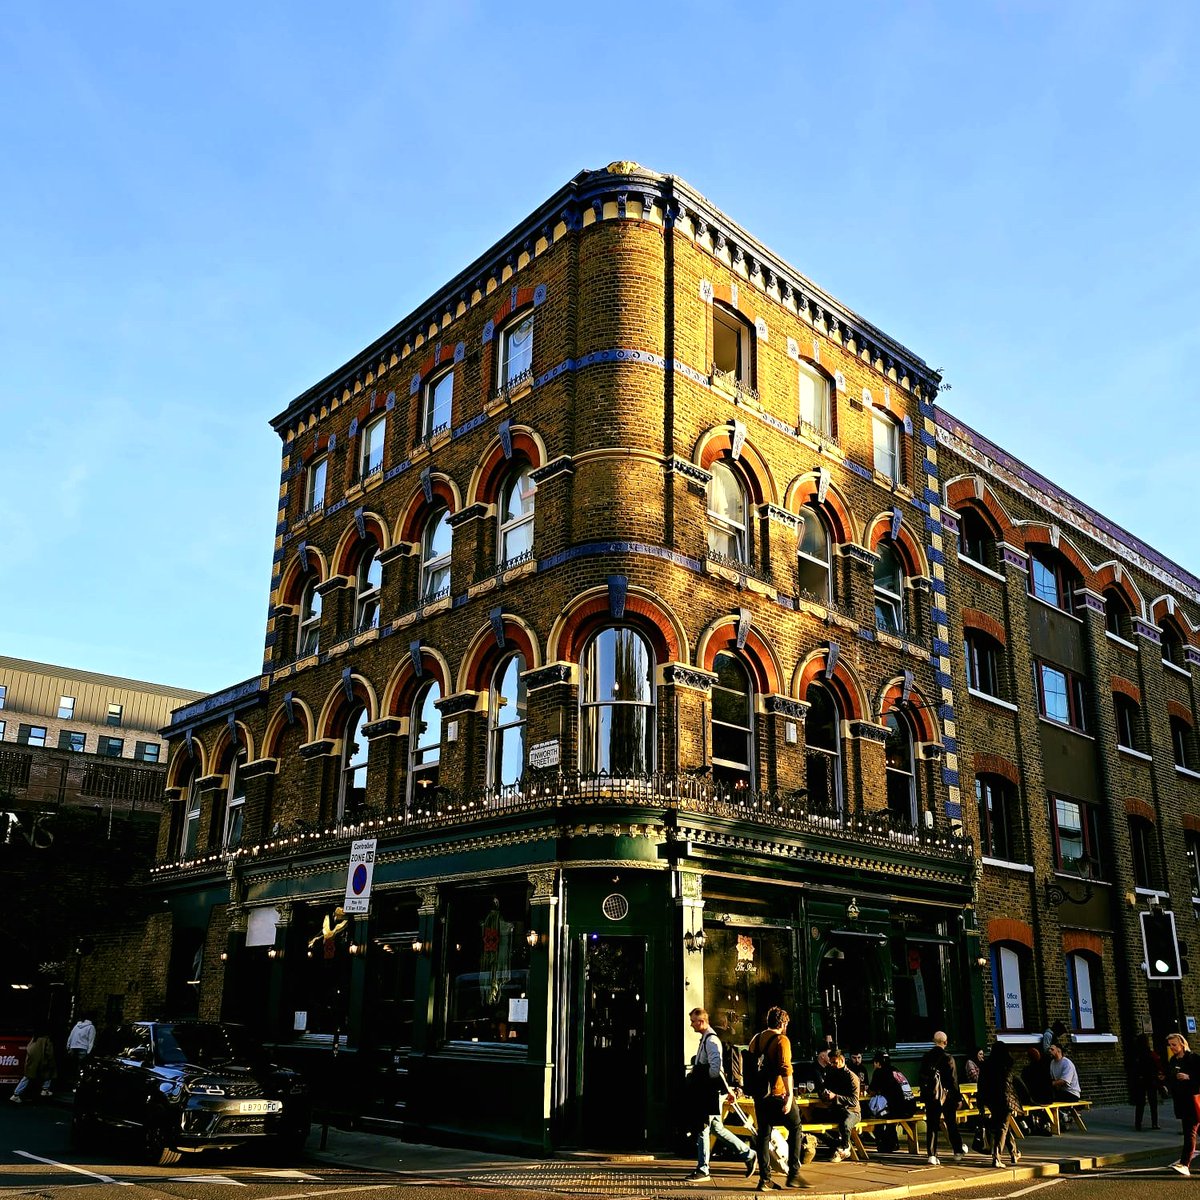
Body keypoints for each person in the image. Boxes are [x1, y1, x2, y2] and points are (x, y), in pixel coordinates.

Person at [682, 1007, 756, 1184]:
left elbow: (716, 1069)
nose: (691, 1025)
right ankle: (749, 1154)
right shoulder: (707, 1039)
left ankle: (703, 1169)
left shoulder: (711, 1040)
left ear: (701, 1021)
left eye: (693, 1021)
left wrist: (704, 1078)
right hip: (709, 1092)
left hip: (707, 1092)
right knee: (715, 1127)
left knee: (703, 1128)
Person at [746, 1006, 807, 1191]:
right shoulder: (782, 1040)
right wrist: (789, 1095)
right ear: (782, 1023)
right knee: (796, 1127)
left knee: (763, 1135)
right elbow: (786, 1069)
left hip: (760, 1095)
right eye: (786, 1024)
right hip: (778, 1093)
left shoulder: (756, 1039)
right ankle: (794, 1174)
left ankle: (765, 1179)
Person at [919, 1030, 965, 1166]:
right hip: (947, 1096)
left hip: (932, 1096)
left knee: (932, 1125)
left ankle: (932, 1155)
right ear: (945, 1042)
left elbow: (921, 1077)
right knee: (951, 1123)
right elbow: (953, 1081)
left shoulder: (926, 1057)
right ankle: (957, 1151)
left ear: (934, 1041)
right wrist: (958, 1098)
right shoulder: (948, 1058)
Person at [977, 1041, 1024, 1167]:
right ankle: (997, 1157)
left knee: (1003, 1125)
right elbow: (1010, 1085)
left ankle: (1014, 1153)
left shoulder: (986, 1065)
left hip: (991, 1100)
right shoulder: (1006, 1065)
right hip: (1004, 1100)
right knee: (1002, 1127)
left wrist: (980, 1103)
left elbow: (981, 1085)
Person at [1165, 1031, 1200, 1176]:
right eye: (1170, 1045)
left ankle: (1185, 1164)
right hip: (1181, 1101)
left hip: (1194, 1101)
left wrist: (1189, 1077)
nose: (1172, 1047)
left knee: (1189, 1132)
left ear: (1182, 1044)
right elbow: (1171, 1077)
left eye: (1174, 1044)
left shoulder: (1193, 1058)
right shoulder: (1173, 1060)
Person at [866, 1049, 914, 1153]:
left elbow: (872, 1091)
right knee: (887, 1112)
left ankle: (886, 1144)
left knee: (878, 1116)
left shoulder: (879, 1072)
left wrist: (866, 1089)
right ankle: (892, 1143)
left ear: (877, 1063)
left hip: (899, 1110)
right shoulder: (896, 1071)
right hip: (910, 1108)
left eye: (874, 1063)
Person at [818, 1047, 860, 1161]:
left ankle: (844, 1148)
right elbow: (824, 1088)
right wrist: (824, 1093)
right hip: (836, 1110)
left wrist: (835, 1097)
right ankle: (837, 1145)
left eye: (835, 1062)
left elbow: (854, 1100)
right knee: (813, 1121)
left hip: (852, 1111)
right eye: (831, 1062)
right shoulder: (831, 1073)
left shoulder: (852, 1077)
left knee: (845, 1124)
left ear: (842, 1060)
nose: (832, 1065)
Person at [9, 1030, 56, 1104]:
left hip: (32, 1060)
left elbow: (29, 1048)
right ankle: (45, 1090)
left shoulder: (34, 1038)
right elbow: (49, 1052)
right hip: (41, 1060)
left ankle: (16, 1094)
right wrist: (51, 1061)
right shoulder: (47, 1039)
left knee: (27, 1077)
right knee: (50, 1072)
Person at [1130, 1032, 1164, 1131]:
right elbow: (1158, 1065)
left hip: (1140, 1080)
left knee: (1140, 1103)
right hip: (1151, 1080)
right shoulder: (1151, 1054)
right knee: (1153, 1102)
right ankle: (1154, 1123)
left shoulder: (1135, 1055)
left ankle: (1138, 1124)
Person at [1047, 1043, 1081, 1128]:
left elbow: (1064, 1081)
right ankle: (1059, 1118)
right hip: (1061, 1091)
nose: (1049, 1051)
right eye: (1049, 1049)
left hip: (1072, 1093)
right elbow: (1053, 1079)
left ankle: (1062, 1116)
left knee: (1050, 1098)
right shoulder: (1052, 1063)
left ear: (1058, 1051)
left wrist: (1050, 1084)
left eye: (1052, 1049)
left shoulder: (1067, 1063)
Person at [65, 1013, 96, 1088]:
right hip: (83, 1047)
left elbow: (71, 1036)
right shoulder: (91, 1027)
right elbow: (91, 1040)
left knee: (73, 1066)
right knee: (81, 1066)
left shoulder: (77, 1026)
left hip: (73, 1046)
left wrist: (68, 1045)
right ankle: (79, 1083)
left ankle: (71, 1082)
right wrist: (89, 1051)